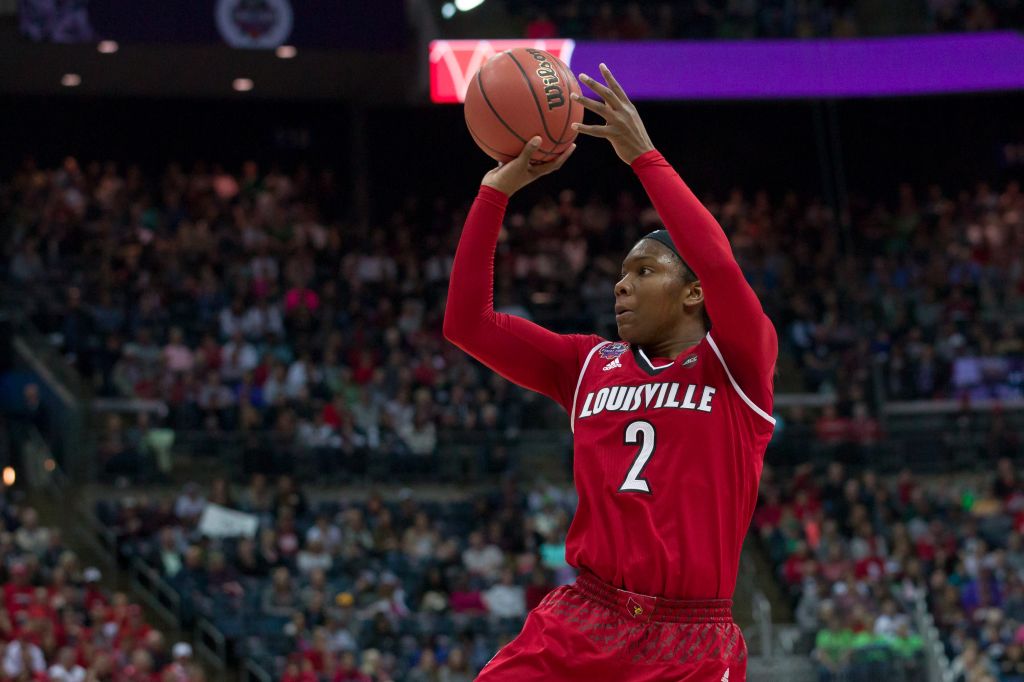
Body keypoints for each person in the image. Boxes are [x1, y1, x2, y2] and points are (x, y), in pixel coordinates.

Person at [444, 64, 777, 681]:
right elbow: (468, 323)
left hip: (690, 639)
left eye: (644, 271)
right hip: (583, 619)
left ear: (693, 293)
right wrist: (496, 191)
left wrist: (645, 158)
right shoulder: (587, 364)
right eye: (621, 273)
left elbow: (720, 264)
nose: (622, 284)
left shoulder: (737, 365)